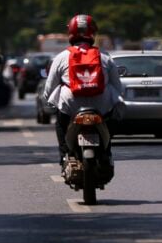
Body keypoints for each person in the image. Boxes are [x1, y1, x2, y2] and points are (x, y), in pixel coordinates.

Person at [43, 14, 124, 173]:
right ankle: (106, 152)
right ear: (93, 33)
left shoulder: (61, 57)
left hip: (71, 106)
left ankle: (65, 154)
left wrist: (50, 101)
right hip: (101, 107)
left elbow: (49, 89)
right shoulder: (105, 57)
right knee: (113, 116)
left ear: (71, 33)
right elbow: (117, 87)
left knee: (60, 123)